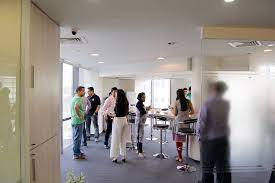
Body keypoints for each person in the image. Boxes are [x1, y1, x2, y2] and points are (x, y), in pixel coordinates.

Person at [197, 81, 231, 183]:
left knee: (207, 169)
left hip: (209, 142)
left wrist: (199, 139)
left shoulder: (207, 104)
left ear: (214, 89)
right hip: (224, 140)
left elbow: (201, 124)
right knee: (223, 169)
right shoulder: (227, 104)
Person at [172, 89, 194, 162]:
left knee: (178, 141)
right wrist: (187, 113)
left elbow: (175, 114)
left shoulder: (176, 102)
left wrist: (173, 110)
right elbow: (193, 112)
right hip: (187, 123)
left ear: (177, 95)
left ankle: (180, 157)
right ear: (184, 94)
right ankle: (186, 155)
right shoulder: (189, 101)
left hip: (179, 124)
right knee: (185, 139)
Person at [110, 89, 129, 163]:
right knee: (123, 139)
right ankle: (123, 156)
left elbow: (117, 114)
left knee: (115, 139)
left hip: (118, 121)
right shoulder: (126, 102)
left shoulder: (118, 103)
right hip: (124, 120)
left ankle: (115, 157)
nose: (115, 94)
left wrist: (111, 114)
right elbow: (125, 113)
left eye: (116, 93)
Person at [71, 86, 86, 160]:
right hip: (78, 121)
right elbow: (76, 107)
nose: (84, 92)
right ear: (78, 91)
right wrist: (80, 116)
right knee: (77, 138)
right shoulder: (78, 98)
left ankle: (77, 151)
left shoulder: (74, 98)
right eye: (83, 91)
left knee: (77, 137)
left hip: (75, 121)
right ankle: (76, 154)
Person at [135, 92, 150, 158]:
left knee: (140, 136)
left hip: (141, 122)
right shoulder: (138, 104)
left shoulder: (141, 103)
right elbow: (142, 112)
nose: (144, 98)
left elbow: (143, 111)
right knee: (140, 136)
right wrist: (147, 109)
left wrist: (146, 109)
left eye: (145, 97)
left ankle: (139, 150)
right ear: (140, 98)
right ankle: (139, 152)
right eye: (143, 97)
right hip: (139, 122)